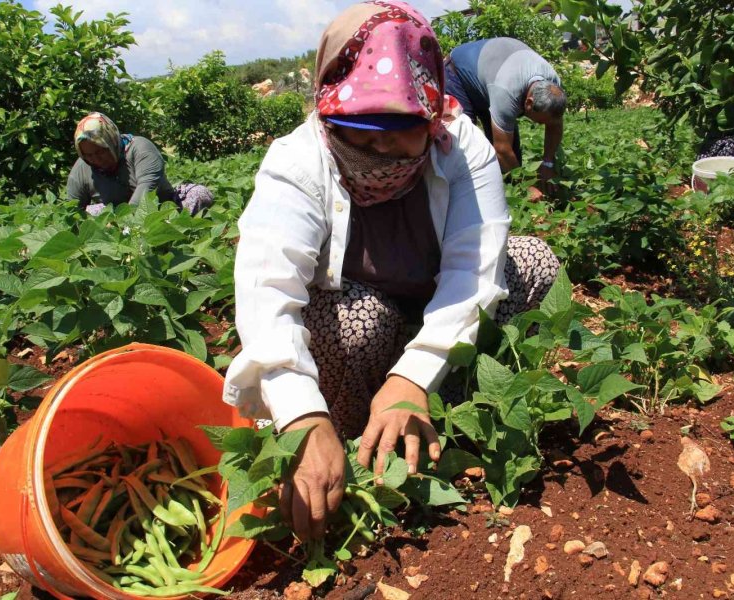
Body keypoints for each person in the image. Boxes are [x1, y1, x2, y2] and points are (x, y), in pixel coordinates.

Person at [222, 1, 560, 542]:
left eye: (400, 128)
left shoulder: (462, 147)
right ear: (327, 110)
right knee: (359, 321)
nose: (379, 147)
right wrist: (302, 416)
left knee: (534, 262)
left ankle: (447, 411)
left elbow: (473, 272)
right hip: (362, 313)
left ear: (431, 117)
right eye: (359, 129)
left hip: (433, 309)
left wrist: (413, 376)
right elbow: (268, 293)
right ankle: (347, 439)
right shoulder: (297, 161)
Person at [444, 37, 566, 187]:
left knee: (511, 159)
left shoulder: (554, 88)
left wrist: (548, 163)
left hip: (491, 74)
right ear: (528, 103)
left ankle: (506, 189)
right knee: (466, 142)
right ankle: (465, 192)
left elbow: (555, 124)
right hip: (457, 73)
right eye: (540, 121)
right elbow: (502, 150)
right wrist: (527, 187)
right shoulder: (507, 92)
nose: (541, 125)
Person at [66, 113, 213, 216]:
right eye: (88, 155)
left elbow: (146, 192)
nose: (95, 159)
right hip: (115, 216)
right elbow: (72, 210)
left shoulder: (140, 149)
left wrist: (126, 225)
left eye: (100, 151)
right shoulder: (81, 170)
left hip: (162, 209)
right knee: (89, 215)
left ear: (112, 142)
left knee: (198, 193)